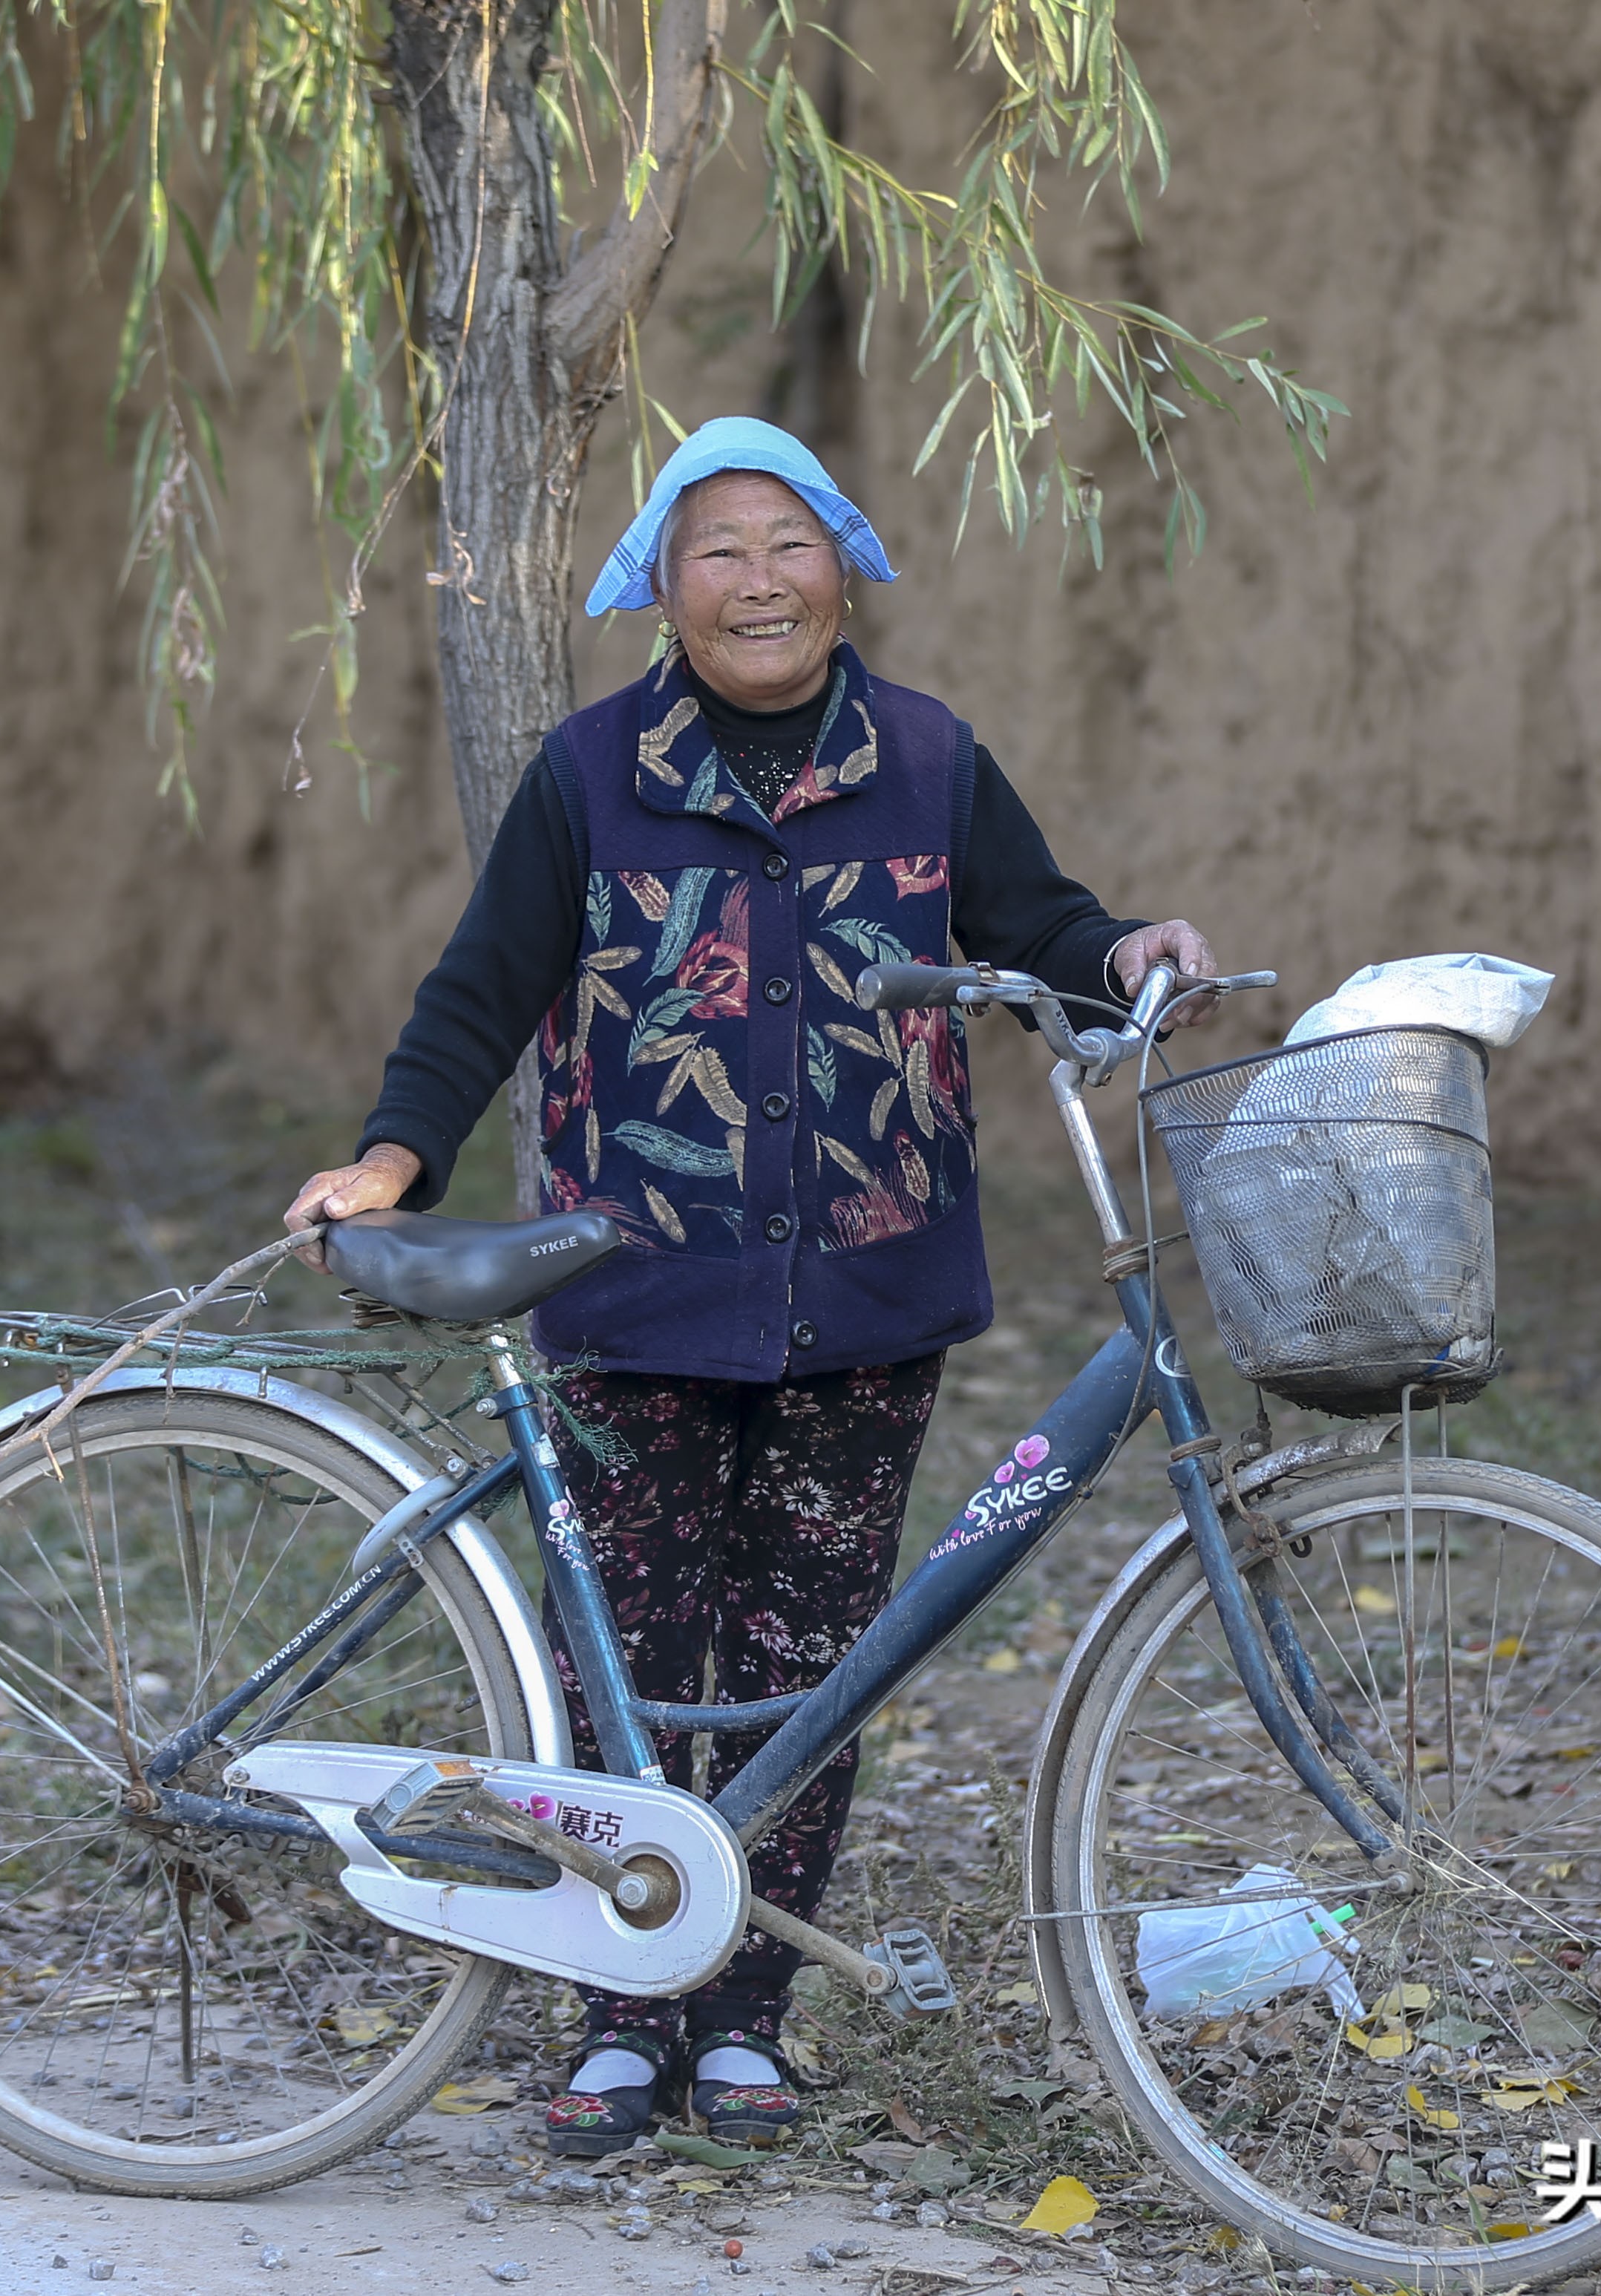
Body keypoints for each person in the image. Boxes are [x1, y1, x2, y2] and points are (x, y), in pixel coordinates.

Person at [286, 417, 1219, 2155]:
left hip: (862, 1306)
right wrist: (392, 1161)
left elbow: (1046, 926)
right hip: (635, 1297)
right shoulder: (590, 774)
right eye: (717, 547)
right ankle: (619, 2019)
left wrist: (1129, 950)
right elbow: (479, 994)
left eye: (790, 542)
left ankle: (745, 2025)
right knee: (622, 1673)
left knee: (811, 1672)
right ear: (663, 586)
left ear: (843, 570)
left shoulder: (930, 762)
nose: (759, 578)